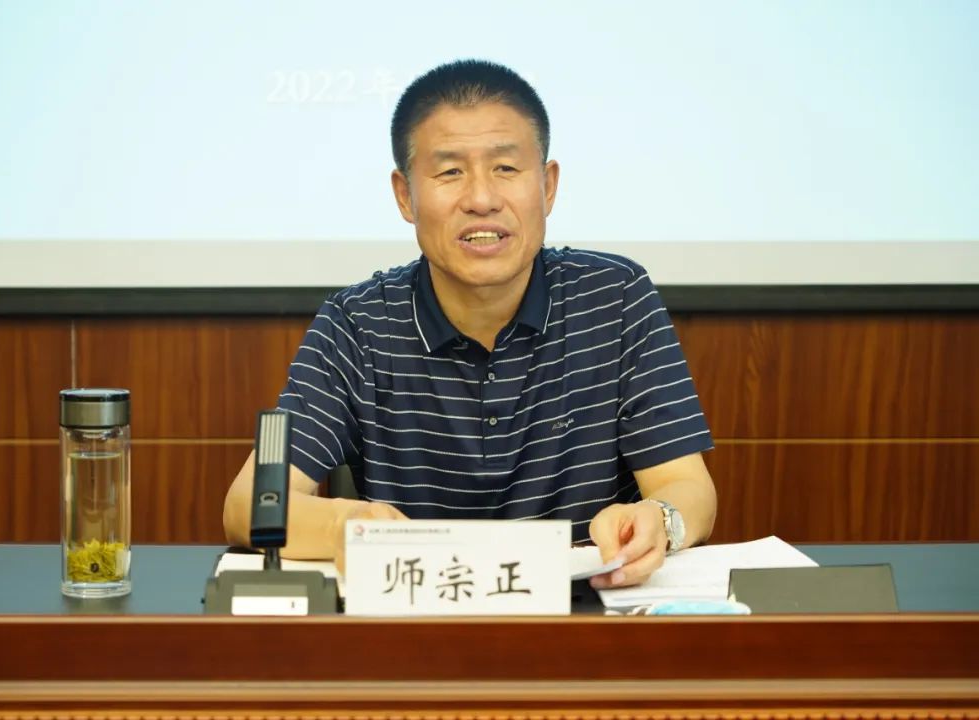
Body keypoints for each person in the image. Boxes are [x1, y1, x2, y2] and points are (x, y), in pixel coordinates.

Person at [224, 59, 716, 589]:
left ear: (548, 186)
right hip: (414, 616)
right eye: (450, 172)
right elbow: (248, 504)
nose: (481, 199)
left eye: (505, 168)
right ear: (404, 195)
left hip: (583, 614)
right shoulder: (359, 324)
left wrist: (660, 520)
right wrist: (347, 526)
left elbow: (688, 487)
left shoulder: (613, 297)